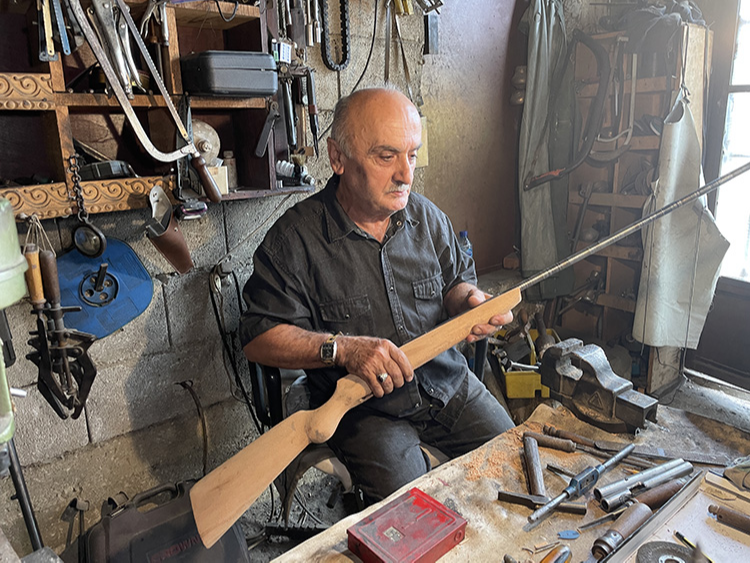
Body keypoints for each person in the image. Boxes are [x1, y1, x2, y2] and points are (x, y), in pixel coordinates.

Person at [240, 87, 515, 505]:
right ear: (338, 159)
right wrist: (344, 349)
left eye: (412, 155)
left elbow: (456, 283)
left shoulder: (428, 218)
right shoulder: (294, 241)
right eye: (387, 157)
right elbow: (259, 338)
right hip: (365, 408)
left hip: (445, 382)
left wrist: (470, 302)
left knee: (512, 462)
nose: (406, 175)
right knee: (407, 507)